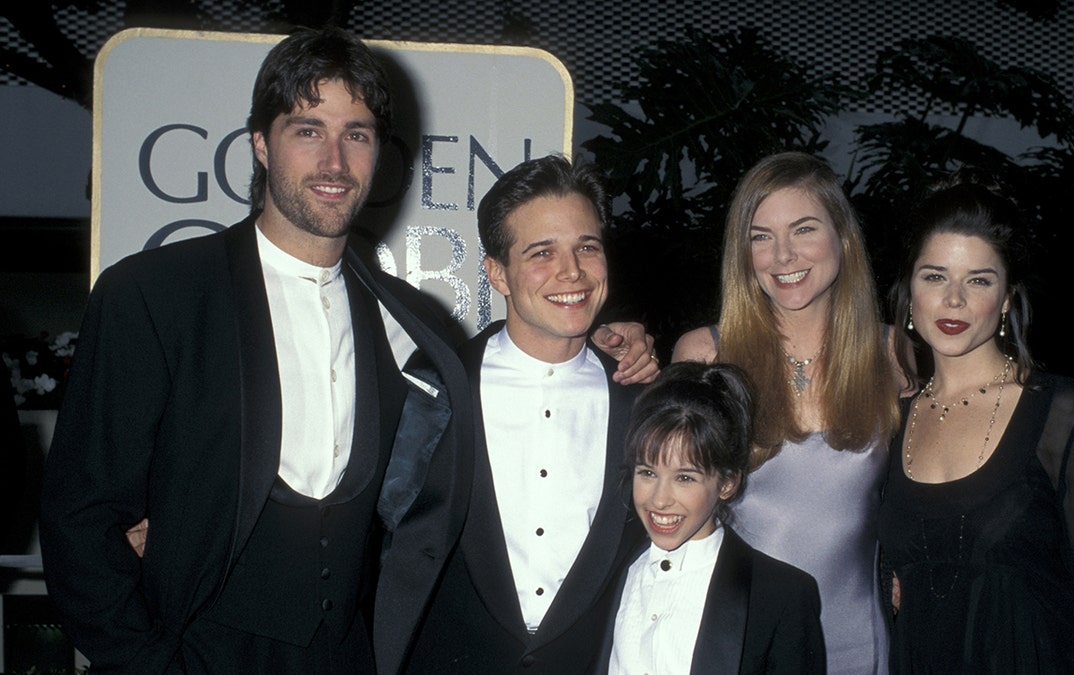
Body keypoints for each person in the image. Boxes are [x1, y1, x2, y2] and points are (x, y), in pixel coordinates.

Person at [39, 28, 654, 673]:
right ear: (259, 143)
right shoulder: (154, 294)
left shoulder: (411, 321)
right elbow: (81, 518)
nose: (334, 162)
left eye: (356, 134)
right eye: (308, 130)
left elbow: (518, 376)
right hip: (190, 656)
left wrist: (615, 340)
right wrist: (142, 661)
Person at [878, 175, 1074, 673]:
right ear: (908, 292)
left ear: (1005, 300)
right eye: (934, 276)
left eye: (978, 280)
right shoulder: (891, 424)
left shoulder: (1059, 413)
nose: (953, 299)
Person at [398, 155, 648, 674]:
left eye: (587, 247)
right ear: (497, 273)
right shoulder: (435, 388)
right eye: (542, 252)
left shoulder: (644, 400)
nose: (572, 271)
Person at [672, 151, 899, 673]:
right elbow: (656, 489)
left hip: (859, 645)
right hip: (739, 641)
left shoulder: (893, 355)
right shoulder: (704, 356)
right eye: (761, 236)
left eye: (803, 229)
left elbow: (949, 459)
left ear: (842, 236)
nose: (782, 256)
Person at [597, 361, 826, 674]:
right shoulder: (609, 569)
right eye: (648, 472)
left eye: (685, 478)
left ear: (727, 483)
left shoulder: (780, 596)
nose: (659, 499)